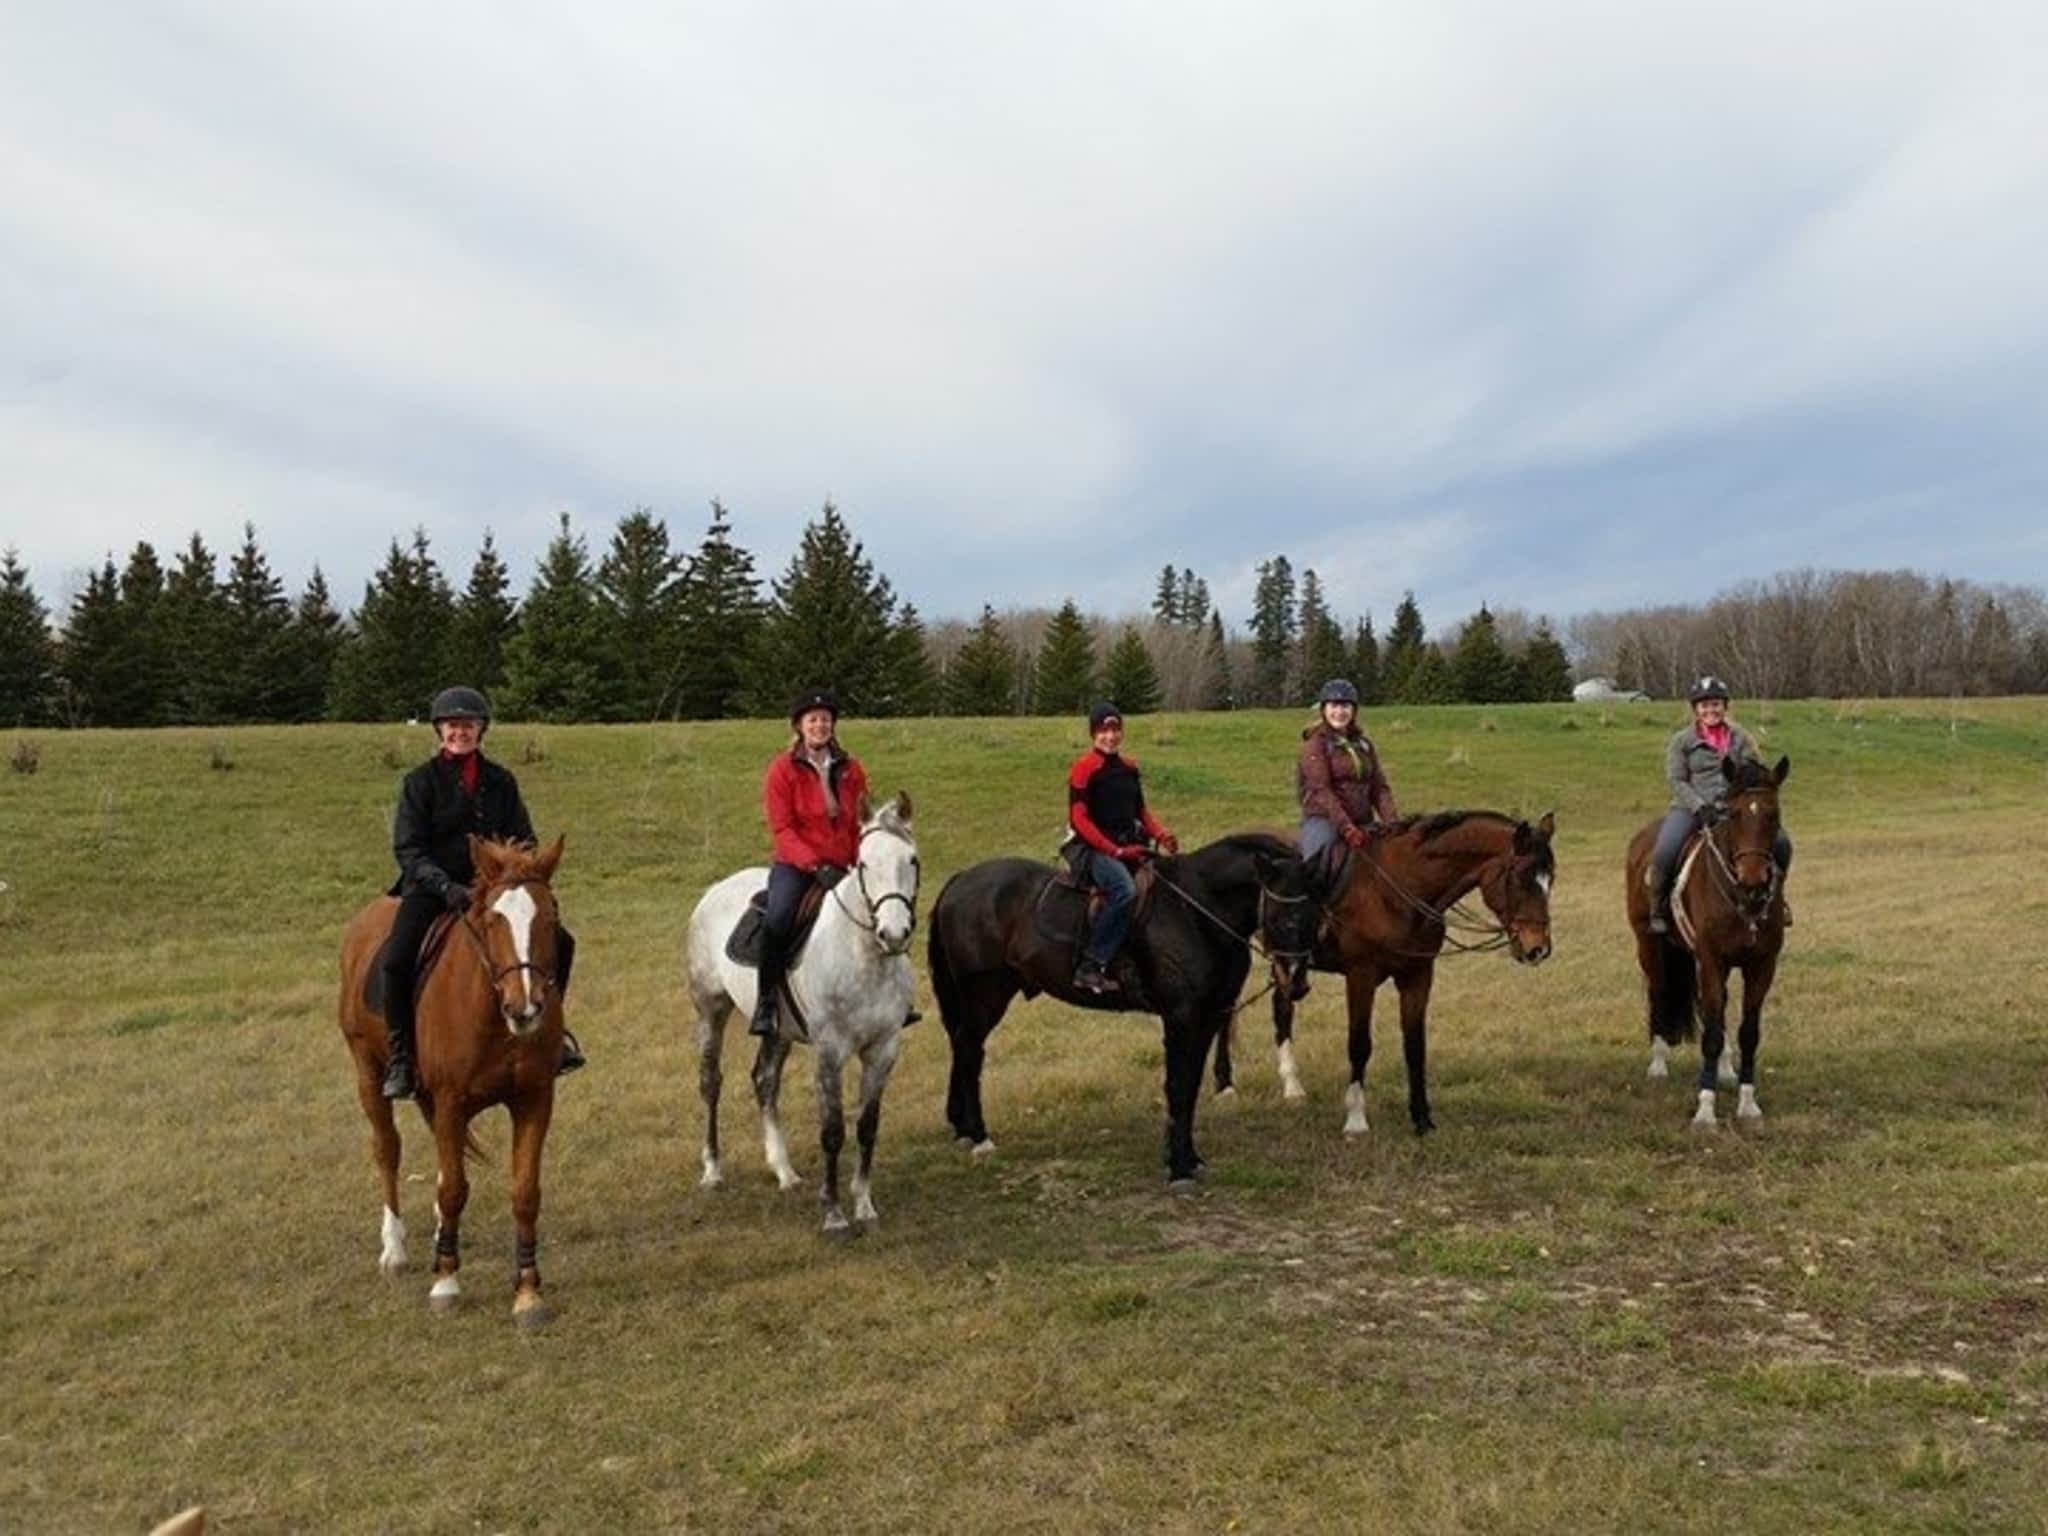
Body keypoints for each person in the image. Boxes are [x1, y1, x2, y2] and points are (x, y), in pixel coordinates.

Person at [381, 686, 582, 1100]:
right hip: (434, 889)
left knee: (561, 939)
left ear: (481, 730)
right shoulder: (419, 782)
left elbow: (523, 838)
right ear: (439, 730)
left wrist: (517, 879)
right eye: (453, 725)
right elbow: (409, 849)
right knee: (397, 959)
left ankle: (552, 1036)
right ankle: (401, 1055)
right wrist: (445, 886)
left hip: (498, 891)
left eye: (468, 725)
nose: (461, 732)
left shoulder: (500, 781)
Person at [752, 689, 869, 1038]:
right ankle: (767, 1002)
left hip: (845, 865)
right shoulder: (782, 770)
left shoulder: (851, 769)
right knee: (779, 917)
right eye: (813, 720)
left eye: (826, 720)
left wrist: (860, 862)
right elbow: (782, 828)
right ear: (799, 726)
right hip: (798, 867)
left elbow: (860, 821)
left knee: (885, 915)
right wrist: (815, 866)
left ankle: (892, 1000)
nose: (820, 725)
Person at [1645, 675, 1794, 934]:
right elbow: (1677, 780)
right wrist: (1699, 806)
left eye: (1715, 704)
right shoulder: (1682, 742)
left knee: (1781, 843)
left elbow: (1752, 774)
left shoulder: (1741, 739)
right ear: (1695, 710)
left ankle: (1777, 899)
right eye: (1704, 705)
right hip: (1690, 808)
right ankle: (1657, 908)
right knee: (1665, 851)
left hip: (1734, 810)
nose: (1710, 710)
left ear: (1725, 707)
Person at [1064, 701, 1180, 995]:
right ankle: (1091, 965)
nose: (1110, 736)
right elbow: (1078, 818)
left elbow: (1140, 812)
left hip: (1130, 844)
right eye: (1103, 730)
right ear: (1093, 734)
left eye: (1115, 729)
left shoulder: (1129, 768)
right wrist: (1114, 851)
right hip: (1092, 848)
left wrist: (1161, 833)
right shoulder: (1083, 768)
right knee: (1124, 890)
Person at [1297, 677, 1397, 867]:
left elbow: (1379, 787)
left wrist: (1392, 824)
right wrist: (1347, 828)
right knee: (1314, 866)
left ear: (1354, 711)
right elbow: (1321, 789)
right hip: (1325, 821)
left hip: (1363, 821)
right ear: (1324, 709)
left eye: (1345, 706)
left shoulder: (1364, 745)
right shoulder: (1315, 745)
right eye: (1334, 706)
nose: (1339, 712)